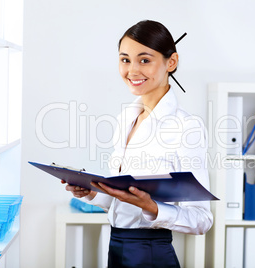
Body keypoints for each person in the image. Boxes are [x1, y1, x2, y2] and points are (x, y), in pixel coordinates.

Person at [63, 20, 213, 268]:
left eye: (144, 60)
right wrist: (92, 193)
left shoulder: (187, 127)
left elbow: (202, 219)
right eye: (125, 60)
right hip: (116, 247)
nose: (132, 70)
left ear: (171, 62)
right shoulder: (126, 119)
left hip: (151, 253)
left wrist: (152, 207)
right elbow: (123, 201)